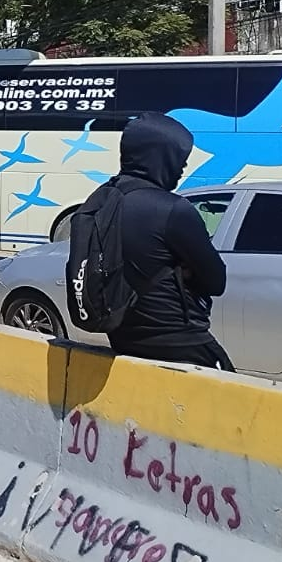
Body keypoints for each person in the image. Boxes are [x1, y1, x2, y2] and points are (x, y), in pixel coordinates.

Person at [103, 114, 232, 370]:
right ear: (161, 157)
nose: (182, 169)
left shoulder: (99, 202)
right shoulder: (172, 209)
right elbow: (216, 281)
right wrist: (183, 271)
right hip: (183, 345)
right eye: (179, 160)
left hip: (122, 338)